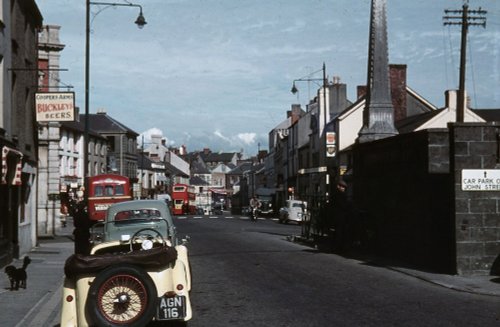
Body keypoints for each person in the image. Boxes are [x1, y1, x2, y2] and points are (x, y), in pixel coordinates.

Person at [331, 180, 352, 251]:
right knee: (339, 232)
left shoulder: (340, 194)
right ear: (338, 187)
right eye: (342, 187)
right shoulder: (339, 195)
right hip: (339, 216)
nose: (343, 188)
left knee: (340, 231)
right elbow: (342, 205)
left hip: (340, 216)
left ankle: (339, 246)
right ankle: (338, 247)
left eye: (344, 187)